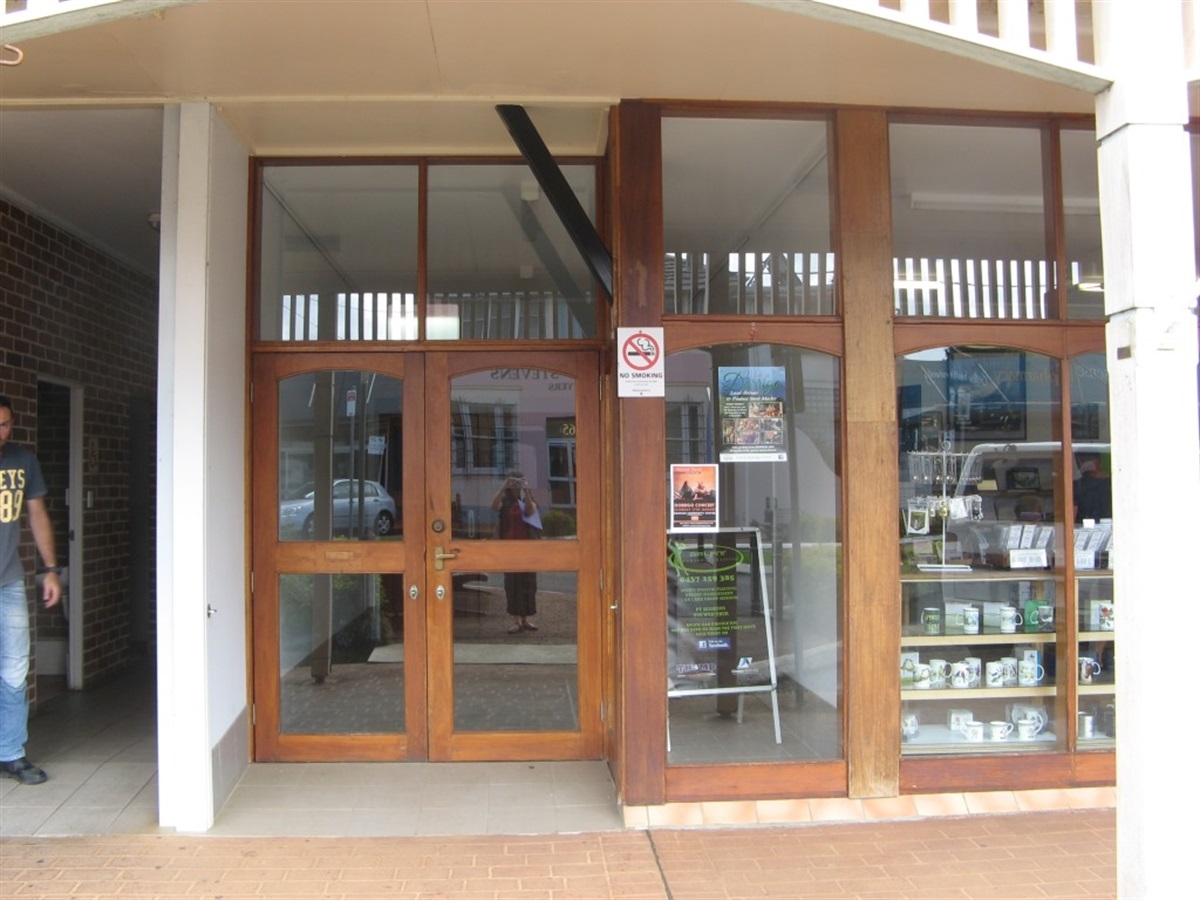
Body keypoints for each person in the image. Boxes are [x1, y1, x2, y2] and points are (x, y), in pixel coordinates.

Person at [0, 395, 62, 785]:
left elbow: (37, 514)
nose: (0, 432)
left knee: (15, 668)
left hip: (8, 581)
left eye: (5, 424)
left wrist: (51, 570)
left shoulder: (22, 461)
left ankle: (11, 751)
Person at [491, 470, 541, 634]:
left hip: (526, 548)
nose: (516, 484)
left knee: (528, 583)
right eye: (514, 481)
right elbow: (493, 506)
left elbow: (530, 511)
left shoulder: (527, 498)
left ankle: (526, 619)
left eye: (519, 481)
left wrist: (526, 490)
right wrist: (505, 485)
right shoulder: (505, 501)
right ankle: (516, 620)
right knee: (512, 583)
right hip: (509, 548)